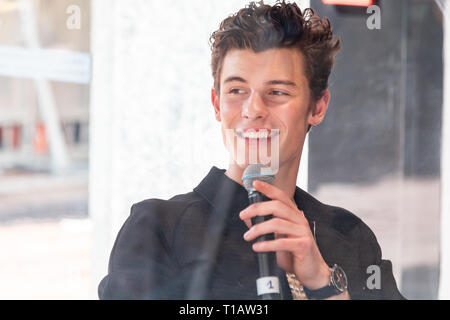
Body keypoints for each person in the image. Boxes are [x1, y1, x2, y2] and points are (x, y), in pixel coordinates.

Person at [98, 0, 405, 300]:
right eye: (236, 90)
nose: (253, 109)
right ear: (217, 104)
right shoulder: (158, 228)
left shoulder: (351, 237)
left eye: (277, 91)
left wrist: (325, 284)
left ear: (317, 106)